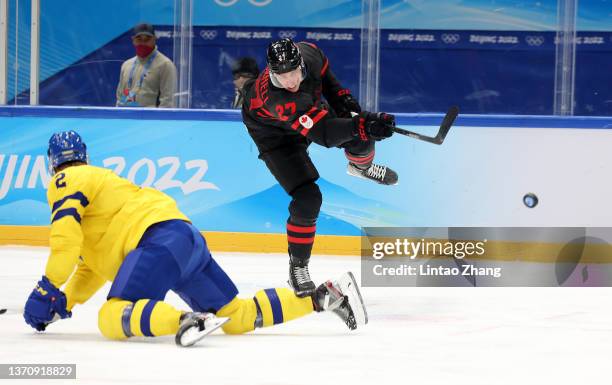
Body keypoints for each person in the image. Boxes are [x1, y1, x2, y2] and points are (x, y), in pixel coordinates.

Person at [22, 131, 367, 347]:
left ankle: (188, 320)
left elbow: (64, 243)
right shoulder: (100, 200)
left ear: (53, 164)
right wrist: (63, 303)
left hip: (154, 242)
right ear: (84, 154)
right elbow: (89, 269)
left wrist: (45, 288)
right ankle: (322, 297)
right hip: (184, 239)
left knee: (111, 316)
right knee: (236, 315)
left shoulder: (66, 181)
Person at [240, 38, 398, 297]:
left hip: (307, 111)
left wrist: (347, 106)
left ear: (301, 63)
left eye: (293, 73)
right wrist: (364, 123)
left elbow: (331, 85)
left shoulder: (311, 53)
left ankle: (361, 167)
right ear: (271, 72)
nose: (289, 81)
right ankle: (298, 267)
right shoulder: (276, 98)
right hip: (274, 135)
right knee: (308, 198)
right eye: (281, 76)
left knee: (358, 130)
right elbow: (323, 134)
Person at [116, 23, 177, 108]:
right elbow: (119, 97)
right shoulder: (126, 65)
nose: (143, 43)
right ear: (133, 40)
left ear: (154, 39)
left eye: (147, 39)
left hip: (150, 120)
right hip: (127, 118)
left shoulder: (165, 65)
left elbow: (167, 102)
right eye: (139, 39)